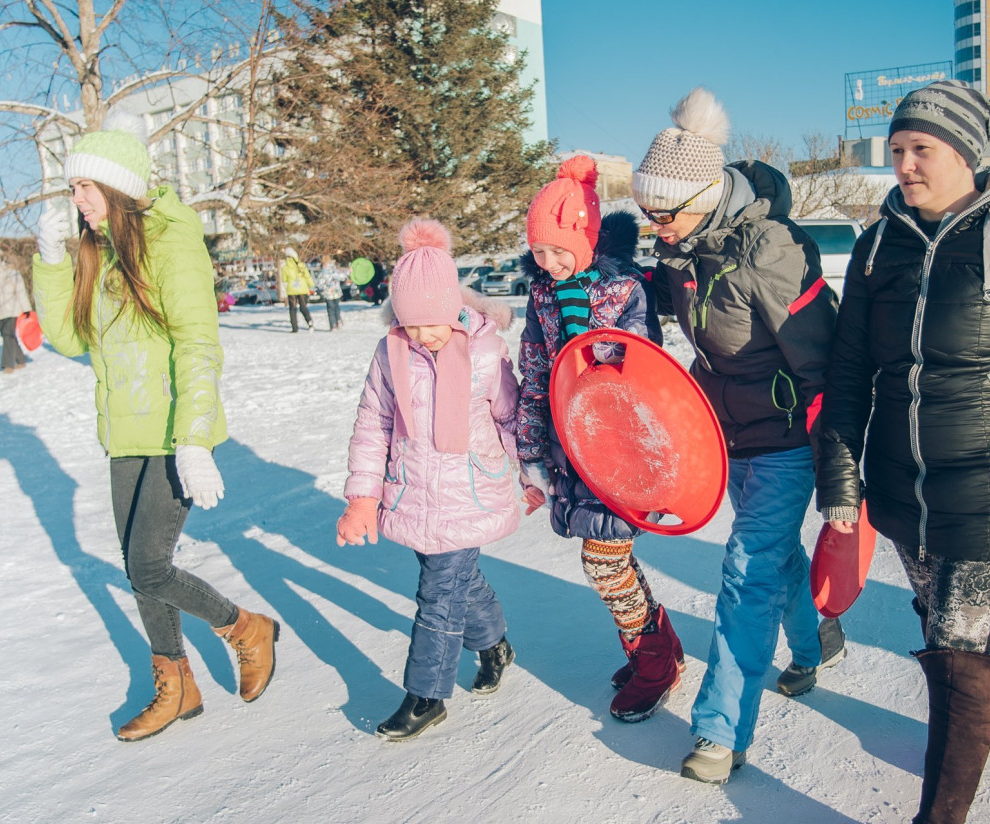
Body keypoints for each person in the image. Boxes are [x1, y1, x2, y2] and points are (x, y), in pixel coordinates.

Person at [817, 80, 990, 824]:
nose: (904, 165)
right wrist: (841, 481)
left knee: (954, 639)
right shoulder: (877, 245)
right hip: (901, 484)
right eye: (897, 150)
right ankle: (966, 722)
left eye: (922, 149)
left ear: (966, 154)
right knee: (941, 628)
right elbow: (848, 372)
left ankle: (940, 810)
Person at [32, 113, 280, 742]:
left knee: (148, 566)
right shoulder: (101, 252)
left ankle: (245, 628)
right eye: (72, 188)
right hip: (125, 436)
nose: (76, 199)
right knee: (140, 568)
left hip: (174, 433)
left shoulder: (171, 242)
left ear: (116, 186)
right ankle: (177, 686)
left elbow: (198, 343)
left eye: (84, 186)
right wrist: (52, 261)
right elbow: (69, 338)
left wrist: (193, 440)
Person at [630, 87, 844, 784]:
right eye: (648, 214)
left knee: (747, 570)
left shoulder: (770, 250)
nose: (656, 226)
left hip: (785, 441)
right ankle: (812, 649)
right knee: (777, 561)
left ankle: (720, 733)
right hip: (726, 440)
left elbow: (823, 362)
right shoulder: (683, 251)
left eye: (664, 213)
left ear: (704, 197)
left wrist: (839, 468)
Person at [337, 218, 520, 742]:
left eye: (431, 324)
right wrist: (363, 498)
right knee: (457, 582)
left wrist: (532, 475)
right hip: (413, 491)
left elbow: (511, 418)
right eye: (410, 325)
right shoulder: (389, 353)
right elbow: (373, 425)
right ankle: (494, 644)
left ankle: (426, 696)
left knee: (438, 593)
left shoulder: (485, 352)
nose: (421, 335)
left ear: (453, 307)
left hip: (469, 491)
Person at [515, 156, 680, 724]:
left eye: (559, 250)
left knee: (603, 559)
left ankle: (653, 661)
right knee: (610, 555)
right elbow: (536, 374)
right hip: (571, 445)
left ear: (586, 240)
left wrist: (587, 343)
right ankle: (658, 646)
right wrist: (531, 451)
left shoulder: (626, 289)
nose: (548, 263)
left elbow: (637, 362)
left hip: (622, 443)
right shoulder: (541, 295)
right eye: (539, 251)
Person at [0, 249, 33, 372]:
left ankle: (7, 365)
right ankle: (21, 359)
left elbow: (21, 292)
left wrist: (27, 309)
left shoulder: (11, 274)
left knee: (8, 335)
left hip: (12, 310)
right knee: (8, 336)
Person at [279, 248, 315, 332]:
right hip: (303, 289)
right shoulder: (301, 265)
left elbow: (284, 280)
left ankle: (294, 327)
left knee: (292, 308)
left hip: (292, 290)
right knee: (303, 307)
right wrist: (311, 285)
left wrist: (286, 288)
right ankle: (309, 321)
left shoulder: (285, 267)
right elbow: (307, 276)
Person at [317, 256, 345, 331]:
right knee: (336, 307)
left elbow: (320, 283)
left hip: (328, 293)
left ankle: (333, 325)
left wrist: (322, 286)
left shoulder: (323, 271)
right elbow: (342, 277)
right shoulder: (335, 269)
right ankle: (338, 320)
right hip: (336, 292)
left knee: (330, 309)